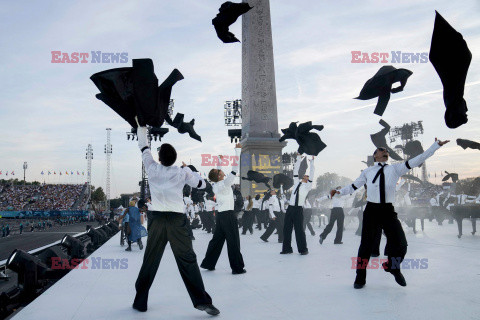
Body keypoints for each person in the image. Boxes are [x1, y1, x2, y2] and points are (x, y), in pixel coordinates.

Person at [331, 138, 449, 289]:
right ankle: (360, 278)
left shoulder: (395, 169)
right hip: (371, 210)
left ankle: (393, 266)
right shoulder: (368, 172)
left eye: (386, 150)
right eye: (382, 150)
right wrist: (339, 192)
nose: (385, 151)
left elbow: (418, 159)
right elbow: (353, 187)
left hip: (388, 210)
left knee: (401, 244)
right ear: (375, 156)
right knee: (365, 246)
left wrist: (435, 146)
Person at [133, 125, 219, 316]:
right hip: (176, 219)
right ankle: (202, 301)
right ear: (174, 158)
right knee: (187, 259)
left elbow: (143, 147)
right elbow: (202, 184)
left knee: (150, 259)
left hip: (156, 219)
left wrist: (141, 127)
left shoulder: (151, 167)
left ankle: (140, 300)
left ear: (160, 158)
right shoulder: (182, 172)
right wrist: (189, 169)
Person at [201, 144, 246, 275]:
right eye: (220, 171)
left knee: (217, 240)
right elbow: (234, 168)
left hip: (221, 216)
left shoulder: (216, 184)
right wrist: (238, 151)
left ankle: (208, 263)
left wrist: (219, 161)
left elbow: (216, 173)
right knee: (233, 242)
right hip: (228, 216)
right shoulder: (225, 184)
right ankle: (237, 268)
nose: (221, 171)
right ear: (219, 176)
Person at [281, 153, 315, 255]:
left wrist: (312, 163)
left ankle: (303, 249)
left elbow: (312, 173)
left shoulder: (307, 186)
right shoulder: (296, 182)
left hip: (298, 209)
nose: (305, 176)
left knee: (299, 230)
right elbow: (296, 170)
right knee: (286, 229)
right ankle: (287, 249)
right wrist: (299, 159)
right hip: (290, 208)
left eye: (307, 176)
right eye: (305, 175)